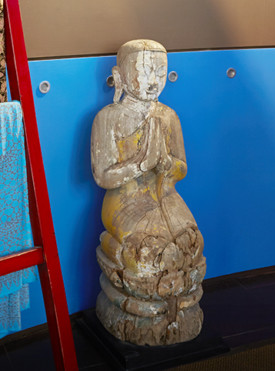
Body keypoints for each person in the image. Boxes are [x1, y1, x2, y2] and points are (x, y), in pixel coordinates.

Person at [90, 39, 205, 346]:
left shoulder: (168, 116)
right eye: (143, 71)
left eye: (160, 72)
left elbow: (181, 168)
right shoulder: (108, 118)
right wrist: (140, 164)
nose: (153, 80)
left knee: (191, 245)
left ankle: (177, 314)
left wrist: (166, 164)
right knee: (146, 254)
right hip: (125, 200)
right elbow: (103, 176)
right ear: (119, 76)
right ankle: (137, 310)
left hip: (165, 195)